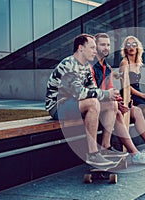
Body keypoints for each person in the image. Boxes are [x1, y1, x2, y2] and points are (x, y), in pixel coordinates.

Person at [91, 33, 145, 161]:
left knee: (137, 111)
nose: (106, 47)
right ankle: (132, 153)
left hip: (110, 103)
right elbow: (94, 92)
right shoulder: (91, 66)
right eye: (102, 44)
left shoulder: (107, 67)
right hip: (94, 105)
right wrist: (117, 101)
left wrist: (119, 101)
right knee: (117, 109)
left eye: (108, 45)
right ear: (94, 46)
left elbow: (110, 89)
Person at [45, 33, 119, 167]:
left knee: (112, 104)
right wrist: (105, 93)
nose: (95, 51)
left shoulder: (85, 66)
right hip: (58, 107)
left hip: (74, 104)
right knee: (93, 103)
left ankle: (105, 148)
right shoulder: (68, 65)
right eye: (92, 48)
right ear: (81, 48)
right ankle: (92, 154)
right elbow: (80, 93)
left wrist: (110, 96)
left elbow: (93, 89)